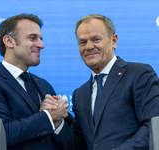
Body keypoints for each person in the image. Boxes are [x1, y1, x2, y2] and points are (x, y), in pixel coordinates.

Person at [53, 14, 159, 149]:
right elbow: (79, 144)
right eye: (83, 42)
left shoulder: (139, 74)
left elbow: (153, 126)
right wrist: (58, 124)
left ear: (114, 40)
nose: (89, 47)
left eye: (96, 39)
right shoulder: (79, 94)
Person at [0, 14, 72, 150]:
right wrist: (49, 116)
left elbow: (73, 141)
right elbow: (0, 135)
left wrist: (58, 122)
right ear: (9, 41)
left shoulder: (44, 84)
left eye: (41, 39)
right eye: (32, 38)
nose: (41, 45)